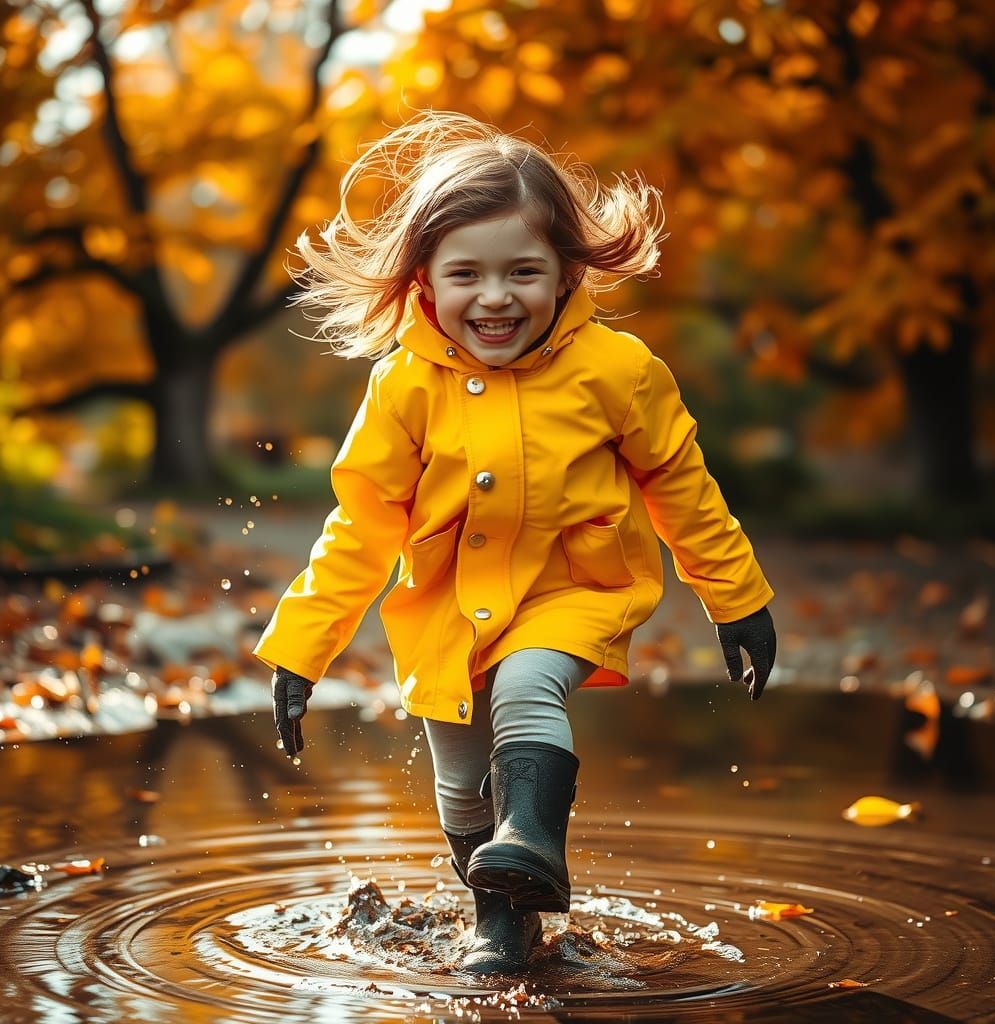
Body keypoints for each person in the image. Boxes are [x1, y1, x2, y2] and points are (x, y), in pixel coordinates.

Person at [256, 111, 777, 976]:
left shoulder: (617, 370)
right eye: (466, 274)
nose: (494, 298)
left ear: (567, 272)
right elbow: (360, 526)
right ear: (424, 279)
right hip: (449, 614)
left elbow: (681, 486)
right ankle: (503, 921)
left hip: (575, 592)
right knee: (461, 786)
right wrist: (302, 648)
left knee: (530, 687)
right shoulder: (404, 386)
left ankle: (533, 837)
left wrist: (739, 599)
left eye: (522, 272)